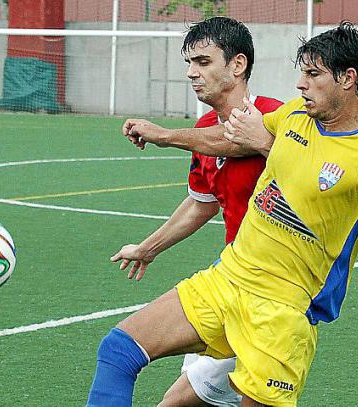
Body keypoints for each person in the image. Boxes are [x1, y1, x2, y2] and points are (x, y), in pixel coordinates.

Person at [87, 22, 358, 406]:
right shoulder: (294, 115)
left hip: (282, 312)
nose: (301, 84)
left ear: (347, 79)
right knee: (118, 350)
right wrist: (166, 137)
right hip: (227, 278)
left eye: (313, 74)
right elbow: (233, 138)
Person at [109, 17, 282, 407]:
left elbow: (239, 139)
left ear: (238, 65)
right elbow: (202, 203)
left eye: (203, 62)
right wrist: (148, 248)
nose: (191, 73)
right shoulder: (203, 128)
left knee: (170, 398)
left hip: (271, 296)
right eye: (189, 63)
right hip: (231, 281)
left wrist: (165, 135)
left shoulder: (275, 115)